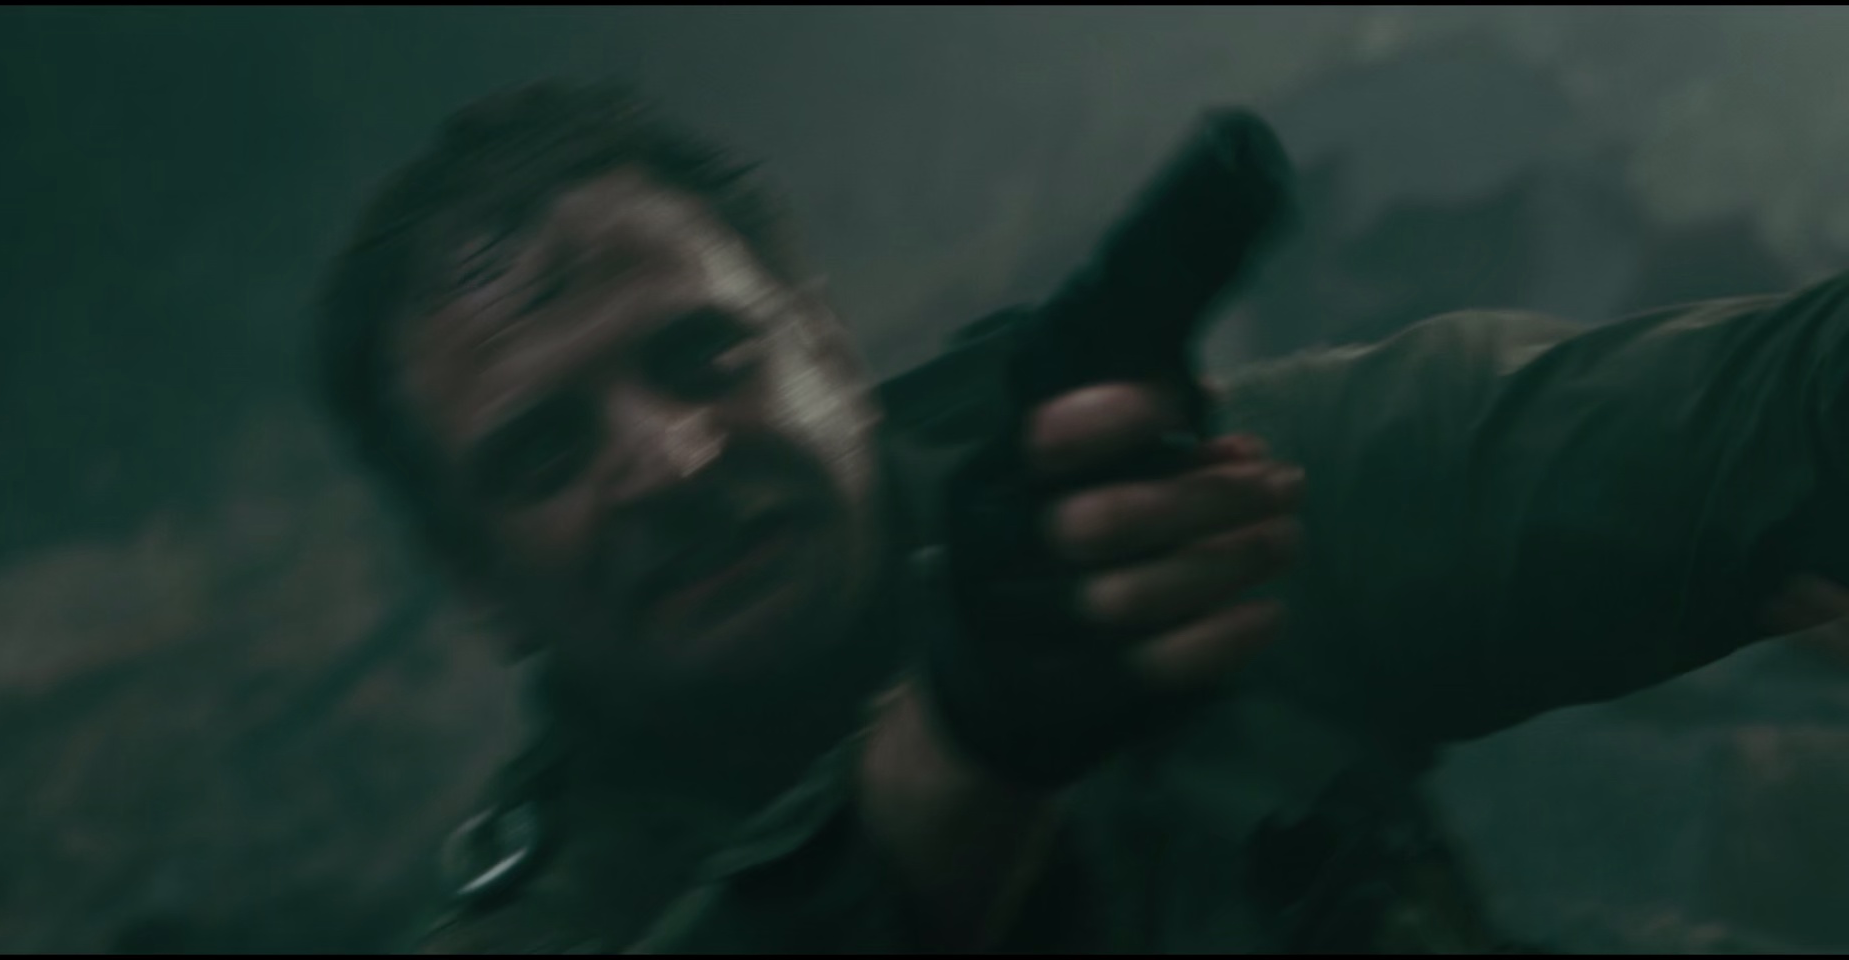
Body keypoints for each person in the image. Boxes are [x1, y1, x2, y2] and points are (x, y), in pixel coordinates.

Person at [313, 81, 1846, 953]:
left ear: (827, 348)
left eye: (701, 354)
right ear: (474, 579)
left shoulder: (1157, 521)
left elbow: (1721, 426)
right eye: (544, 453)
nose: (672, 461)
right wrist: (966, 754)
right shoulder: (544, 926)